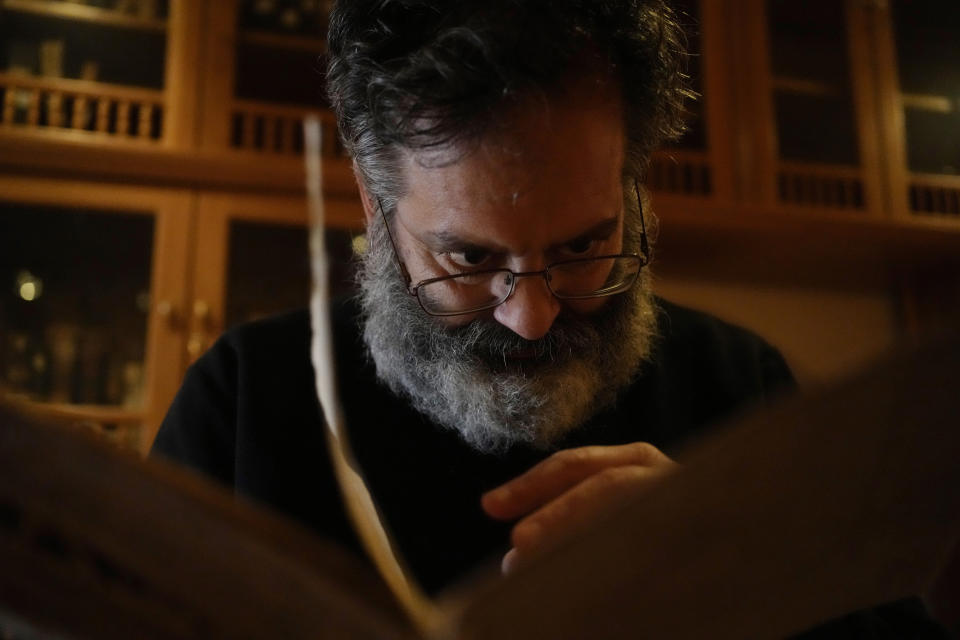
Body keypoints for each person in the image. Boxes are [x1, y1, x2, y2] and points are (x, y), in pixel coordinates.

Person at [152, 0, 949, 636]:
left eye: (585, 244)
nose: (532, 317)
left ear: (633, 189)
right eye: (468, 260)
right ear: (372, 200)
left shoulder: (741, 388)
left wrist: (748, 575)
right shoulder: (243, 400)